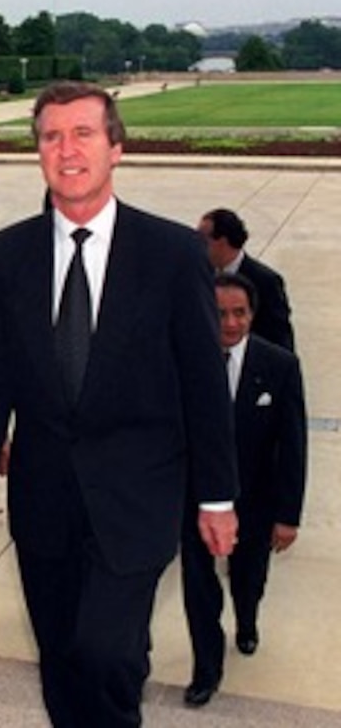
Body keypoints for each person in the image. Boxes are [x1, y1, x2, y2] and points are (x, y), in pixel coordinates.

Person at [0, 80, 239, 728]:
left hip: (137, 498)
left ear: (116, 148)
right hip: (44, 497)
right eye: (52, 136)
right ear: (38, 153)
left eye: (83, 133)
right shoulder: (2, 260)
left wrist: (218, 496)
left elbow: (203, 384)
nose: (67, 148)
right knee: (61, 660)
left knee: (107, 651)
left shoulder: (171, 255)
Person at [180, 272, 307, 708]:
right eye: (220, 314)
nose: (230, 323)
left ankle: (247, 620)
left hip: (255, 501)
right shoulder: (183, 360)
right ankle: (206, 669)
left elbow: (293, 447)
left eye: (240, 313)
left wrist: (288, 516)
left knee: (247, 579)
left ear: (253, 314)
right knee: (199, 590)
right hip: (193, 501)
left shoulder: (280, 366)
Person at [198, 207, 295, 351]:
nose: (197, 245)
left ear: (222, 242)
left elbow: (279, 337)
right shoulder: (200, 274)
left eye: (202, 239)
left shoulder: (266, 281)